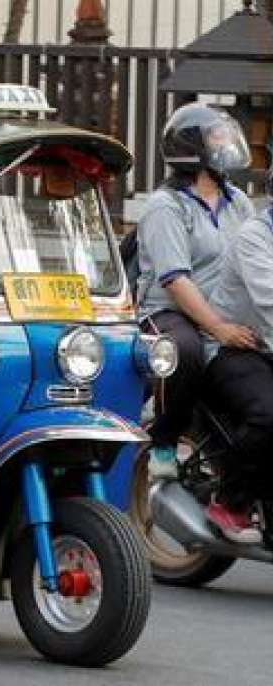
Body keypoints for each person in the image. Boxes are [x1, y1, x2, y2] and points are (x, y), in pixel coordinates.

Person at [135, 103, 256, 480]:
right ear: (191, 148)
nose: (226, 142)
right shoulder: (166, 206)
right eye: (216, 136)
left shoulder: (239, 201)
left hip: (226, 311)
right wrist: (218, 328)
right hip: (169, 313)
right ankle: (164, 441)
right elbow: (175, 281)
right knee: (185, 351)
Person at [201, 166, 273, 544]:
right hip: (234, 345)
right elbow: (270, 301)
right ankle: (231, 500)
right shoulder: (254, 238)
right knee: (268, 415)